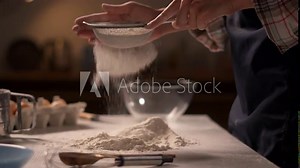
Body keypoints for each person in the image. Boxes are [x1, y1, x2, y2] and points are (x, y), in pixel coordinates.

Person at [73, 1, 299, 167]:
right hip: (247, 118)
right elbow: (221, 23)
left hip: (290, 120)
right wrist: (157, 21)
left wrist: (230, 2)